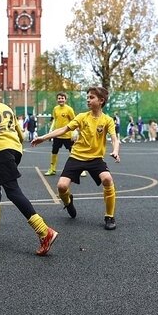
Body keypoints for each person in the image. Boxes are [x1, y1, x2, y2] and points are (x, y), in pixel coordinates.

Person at [0, 83, 58, 256]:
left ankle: (44, 231)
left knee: (13, 191)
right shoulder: (7, 108)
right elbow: (21, 134)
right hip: (16, 151)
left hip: (2, 151)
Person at [32, 86, 121, 230]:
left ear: (101, 101)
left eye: (91, 97)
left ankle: (109, 216)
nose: (88, 99)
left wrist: (115, 151)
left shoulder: (107, 120)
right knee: (61, 186)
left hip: (95, 159)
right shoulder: (81, 117)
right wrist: (43, 137)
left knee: (107, 179)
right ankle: (68, 202)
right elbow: (63, 129)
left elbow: (114, 138)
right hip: (76, 156)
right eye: (87, 97)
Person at [43, 92, 75, 176]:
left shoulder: (69, 109)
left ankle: (80, 169)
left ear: (65, 99)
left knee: (73, 152)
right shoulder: (55, 109)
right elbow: (54, 120)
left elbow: (73, 121)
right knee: (54, 152)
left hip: (67, 135)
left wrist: (74, 133)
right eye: (59, 98)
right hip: (57, 135)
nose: (60, 100)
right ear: (57, 100)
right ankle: (52, 169)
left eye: (62, 98)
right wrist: (51, 130)